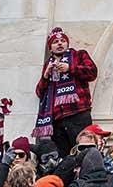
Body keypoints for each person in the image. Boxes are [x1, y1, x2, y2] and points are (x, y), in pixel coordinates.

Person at [33, 29, 99, 157]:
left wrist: (70, 68)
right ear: (50, 48)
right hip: (57, 120)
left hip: (78, 113)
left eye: (63, 41)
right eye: (55, 42)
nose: (59, 44)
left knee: (83, 152)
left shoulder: (78, 55)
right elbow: (40, 92)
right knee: (63, 156)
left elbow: (92, 72)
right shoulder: (49, 64)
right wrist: (46, 76)